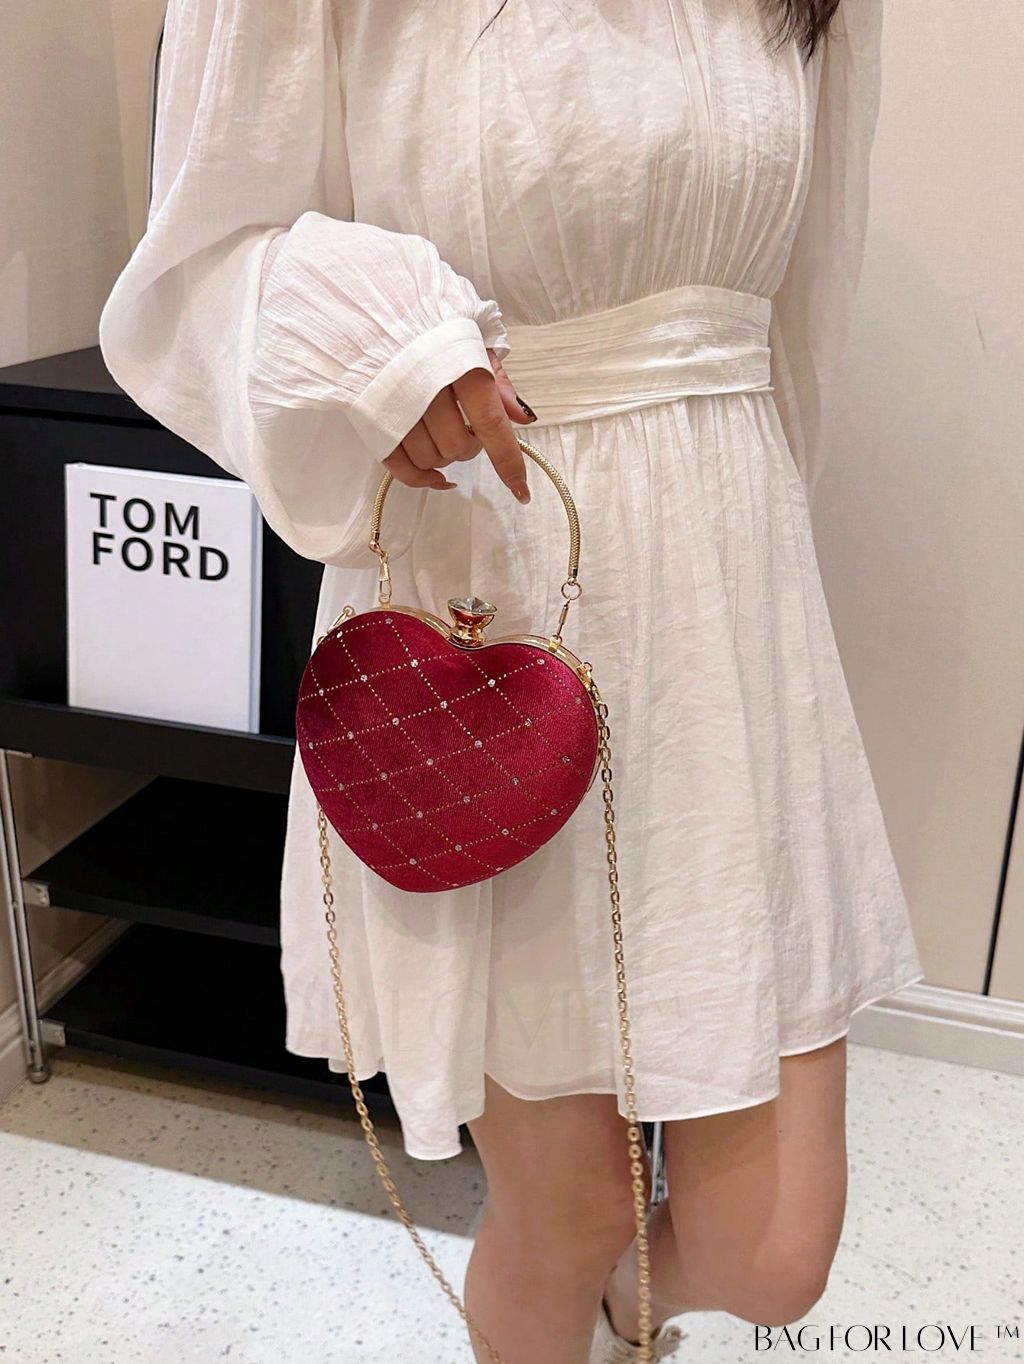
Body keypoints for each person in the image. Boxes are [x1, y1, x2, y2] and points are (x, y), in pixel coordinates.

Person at [98, 2, 926, 1360]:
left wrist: (765, 570)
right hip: (491, 596)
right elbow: (193, 269)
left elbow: (802, 316)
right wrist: (378, 338)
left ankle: (620, 1313)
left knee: (773, 1256)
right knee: (571, 1206)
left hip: (728, 614)